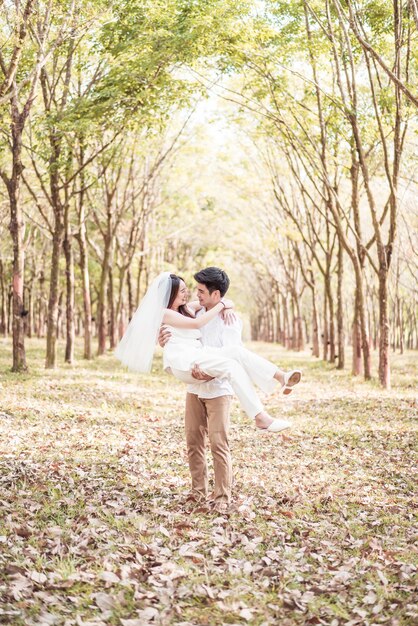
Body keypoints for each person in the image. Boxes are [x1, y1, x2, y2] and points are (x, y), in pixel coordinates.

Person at [115, 271, 302, 435]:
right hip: (185, 362)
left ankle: (281, 377)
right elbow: (197, 323)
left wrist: (227, 305)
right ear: (170, 294)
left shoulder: (187, 309)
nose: (188, 293)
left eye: (189, 289)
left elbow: (225, 301)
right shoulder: (165, 313)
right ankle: (260, 417)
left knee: (236, 352)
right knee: (231, 366)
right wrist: (222, 306)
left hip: (198, 355)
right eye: (182, 290)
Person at [159, 267, 242, 512]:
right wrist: (163, 339)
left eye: (201, 291)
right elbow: (178, 337)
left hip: (217, 388)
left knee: (218, 443)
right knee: (193, 440)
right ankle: (197, 492)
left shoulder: (229, 319)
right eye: (195, 291)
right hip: (194, 386)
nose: (196, 295)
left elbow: (231, 354)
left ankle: (222, 497)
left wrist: (208, 371)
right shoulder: (191, 312)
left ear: (216, 294)